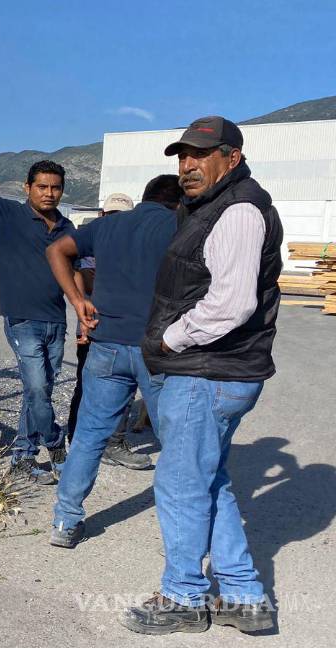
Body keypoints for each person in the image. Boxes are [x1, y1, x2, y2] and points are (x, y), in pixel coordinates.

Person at [121, 116, 282, 635]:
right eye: (182, 155)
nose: (187, 165)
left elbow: (231, 305)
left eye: (200, 155)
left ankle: (183, 597)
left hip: (207, 371)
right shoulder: (213, 206)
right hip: (217, 370)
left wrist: (169, 339)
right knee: (209, 479)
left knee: (181, 485)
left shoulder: (236, 211)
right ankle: (244, 598)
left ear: (231, 158)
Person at [45, 175, 182, 550]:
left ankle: (65, 520)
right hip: (160, 349)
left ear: (144, 198)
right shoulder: (181, 225)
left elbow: (56, 250)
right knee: (177, 441)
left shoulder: (107, 224)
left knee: (89, 436)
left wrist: (77, 300)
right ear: (178, 201)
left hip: (106, 345)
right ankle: (181, 531)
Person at [0, 113, 72, 485]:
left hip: (57, 320)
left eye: (55, 187)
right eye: (41, 186)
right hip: (23, 319)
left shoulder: (67, 228)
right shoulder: (7, 214)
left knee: (38, 390)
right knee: (38, 387)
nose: (48, 193)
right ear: (27, 188)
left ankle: (22, 456)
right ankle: (54, 443)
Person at [65, 193, 153, 470]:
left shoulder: (136, 247)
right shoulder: (92, 244)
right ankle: (80, 439)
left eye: (122, 217)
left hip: (125, 330)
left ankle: (112, 442)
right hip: (96, 326)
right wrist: (81, 305)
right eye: (112, 216)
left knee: (123, 389)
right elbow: (81, 276)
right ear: (103, 216)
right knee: (88, 387)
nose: (116, 222)